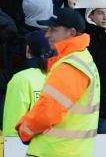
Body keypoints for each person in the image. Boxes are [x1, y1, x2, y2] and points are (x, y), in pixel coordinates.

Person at [15, 8, 100, 157]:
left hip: (54, 151)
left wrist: (24, 130)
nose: (47, 34)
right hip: (70, 150)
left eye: (53, 30)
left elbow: (47, 113)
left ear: (71, 33)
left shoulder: (70, 66)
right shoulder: (82, 59)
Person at [2, 30, 51, 135]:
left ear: (28, 49)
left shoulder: (21, 78)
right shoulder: (59, 76)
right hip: (53, 146)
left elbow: (13, 125)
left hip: (26, 147)